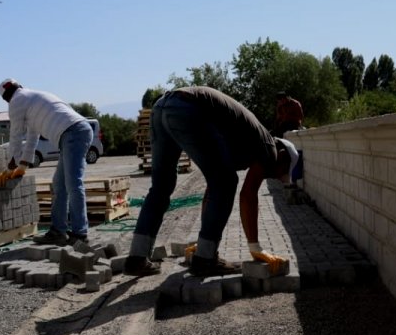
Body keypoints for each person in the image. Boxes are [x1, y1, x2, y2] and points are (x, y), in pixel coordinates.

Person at [125, 86, 299, 277]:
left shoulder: (248, 141)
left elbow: (212, 190)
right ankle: (206, 260)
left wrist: (203, 239)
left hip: (161, 107)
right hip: (188, 108)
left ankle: (137, 258)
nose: (274, 176)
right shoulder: (269, 148)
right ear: (282, 155)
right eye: (281, 172)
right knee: (226, 182)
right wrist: (255, 247)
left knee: (162, 186)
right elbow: (248, 195)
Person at [0, 78, 94, 246]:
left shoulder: (17, 101)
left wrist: (9, 166)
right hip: (75, 132)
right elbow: (32, 137)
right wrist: (23, 165)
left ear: (6, 97)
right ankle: (58, 231)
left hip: (73, 133)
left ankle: (80, 233)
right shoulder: (32, 100)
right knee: (59, 184)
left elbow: (16, 135)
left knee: (73, 184)